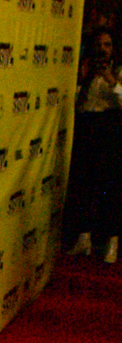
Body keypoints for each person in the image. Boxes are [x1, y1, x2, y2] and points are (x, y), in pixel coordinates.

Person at [65, 28, 121, 264]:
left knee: (109, 187)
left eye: (107, 45)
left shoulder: (117, 71)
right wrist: (82, 77)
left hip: (110, 129)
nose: (102, 49)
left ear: (113, 49)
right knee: (83, 184)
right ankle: (84, 238)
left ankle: (111, 243)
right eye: (98, 45)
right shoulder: (86, 69)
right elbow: (76, 101)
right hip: (86, 127)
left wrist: (111, 80)